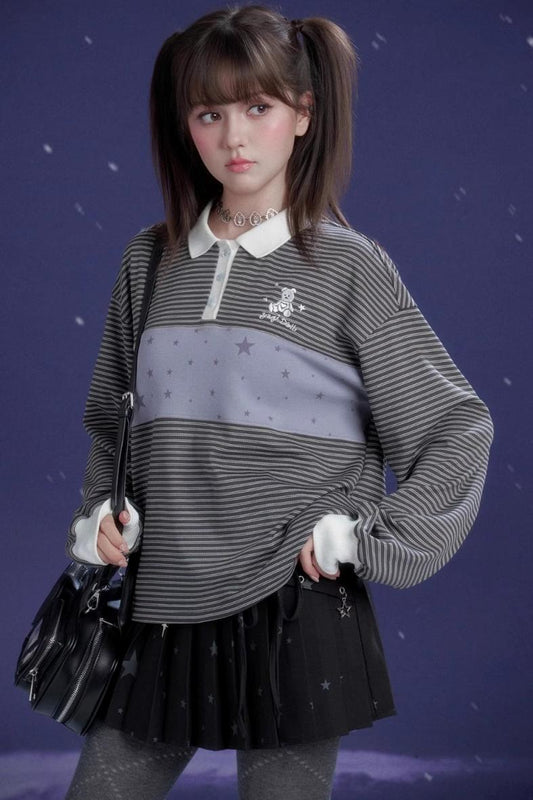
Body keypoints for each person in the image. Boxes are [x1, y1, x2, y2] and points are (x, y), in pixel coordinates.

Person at [63, 5, 494, 799]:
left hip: (296, 604)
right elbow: (113, 423)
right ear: (184, 126)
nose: (234, 135)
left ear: (303, 114)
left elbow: (454, 427)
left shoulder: (349, 269)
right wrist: (102, 512)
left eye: (257, 106)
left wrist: (365, 537)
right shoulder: (147, 262)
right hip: (164, 595)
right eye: (208, 113)